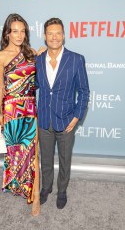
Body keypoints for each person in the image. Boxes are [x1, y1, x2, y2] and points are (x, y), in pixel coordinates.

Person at [36, 18, 90, 209]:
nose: (54, 37)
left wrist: (76, 117)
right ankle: (46, 188)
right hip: (44, 119)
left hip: (67, 120)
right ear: (44, 36)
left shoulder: (76, 59)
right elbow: (33, 86)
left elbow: (83, 91)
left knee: (65, 160)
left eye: (58, 33)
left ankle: (62, 190)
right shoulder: (37, 59)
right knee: (46, 159)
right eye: (50, 33)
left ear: (64, 35)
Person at [0, 13, 40, 216]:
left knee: (31, 152)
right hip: (11, 110)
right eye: (15, 31)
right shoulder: (0, 56)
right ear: (7, 33)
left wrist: (44, 52)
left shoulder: (30, 52)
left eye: (23, 31)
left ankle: (33, 192)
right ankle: (19, 186)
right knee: (16, 152)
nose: (19, 35)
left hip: (30, 108)